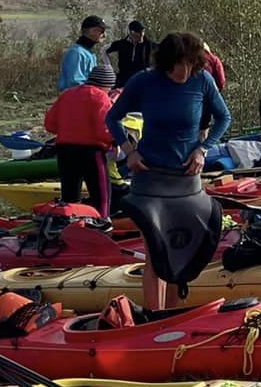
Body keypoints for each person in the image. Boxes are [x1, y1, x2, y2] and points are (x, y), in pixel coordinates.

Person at [105, 32, 232, 308]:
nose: (184, 71)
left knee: (181, 250)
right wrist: (129, 151)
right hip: (150, 178)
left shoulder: (203, 81)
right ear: (166, 63)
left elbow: (224, 117)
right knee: (155, 252)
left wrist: (204, 148)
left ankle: (173, 317)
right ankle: (154, 317)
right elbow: (112, 117)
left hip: (187, 180)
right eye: (179, 65)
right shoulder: (144, 81)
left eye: (190, 64)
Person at [44, 60, 118, 217]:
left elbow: (50, 125)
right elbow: (104, 130)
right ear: (106, 84)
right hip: (91, 153)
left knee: (70, 196)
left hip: (65, 151)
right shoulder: (101, 97)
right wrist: (115, 141)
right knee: (101, 197)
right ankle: (103, 225)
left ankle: (68, 226)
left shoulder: (67, 94)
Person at [58, 16, 108, 90]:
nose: (104, 35)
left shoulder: (89, 53)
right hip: (75, 99)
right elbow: (75, 84)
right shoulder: (77, 53)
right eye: (102, 31)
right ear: (92, 31)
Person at [106, 20, 154, 88]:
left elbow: (164, 52)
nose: (142, 35)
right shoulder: (122, 44)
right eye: (139, 33)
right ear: (131, 32)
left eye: (143, 32)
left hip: (142, 81)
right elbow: (104, 50)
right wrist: (109, 68)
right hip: (123, 81)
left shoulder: (149, 44)